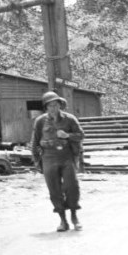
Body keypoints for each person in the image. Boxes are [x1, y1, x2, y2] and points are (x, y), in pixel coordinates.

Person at [30, 90, 84, 231]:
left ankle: (74, 216)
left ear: (60, 105)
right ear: (46, 107)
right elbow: (34, 142)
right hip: (48, 158)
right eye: (50, 106)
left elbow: (80, 135)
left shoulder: (70, 119)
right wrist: (37, 162)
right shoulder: (40, 121)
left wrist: (68, 135)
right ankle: (62, 220)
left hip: (67, 157)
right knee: (54, 190)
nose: (53, 108)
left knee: (72, 187)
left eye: (56, 105)